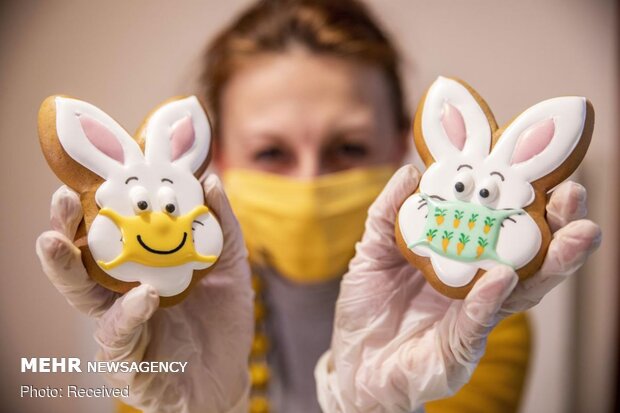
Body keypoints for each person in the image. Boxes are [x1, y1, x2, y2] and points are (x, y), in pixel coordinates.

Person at [35, 0, 601, 412]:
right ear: (215, 160)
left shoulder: (474, 318)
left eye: (347, 148)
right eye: (272, 152)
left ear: (402, 145)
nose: (310, 182)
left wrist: (380, 404)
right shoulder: (161, 311)